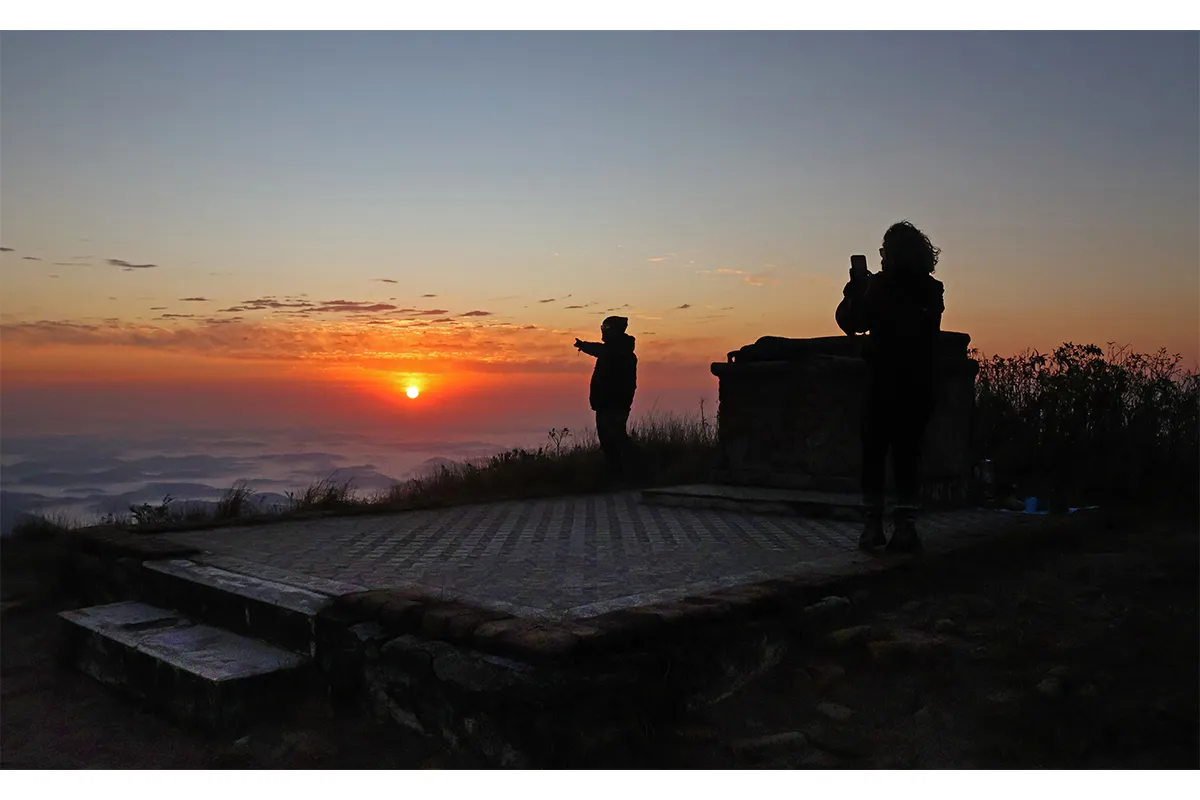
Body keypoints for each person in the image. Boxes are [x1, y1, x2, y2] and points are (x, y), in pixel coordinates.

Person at [836, 221, 945, 553]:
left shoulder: (880, 287)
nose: (881, 257)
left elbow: (851, 323)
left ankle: (873, 528)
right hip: (918, 382)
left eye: (884, 251)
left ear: (892, 253)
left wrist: (856, 291)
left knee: (875, 454)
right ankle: (904, 529)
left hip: (884, 381)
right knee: (907, 455)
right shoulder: (932, 289)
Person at [575, 316, 638, 482]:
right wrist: (584, 345)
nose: (602, 329)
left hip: (613, 404)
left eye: (605, 327)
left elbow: (601, 351)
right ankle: (620, 475)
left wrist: (584, 345)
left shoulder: (618, 352)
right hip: (607, 404)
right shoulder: (617, 350)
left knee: (614, 439)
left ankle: (633, 470)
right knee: (611, 441)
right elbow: (600, 350)